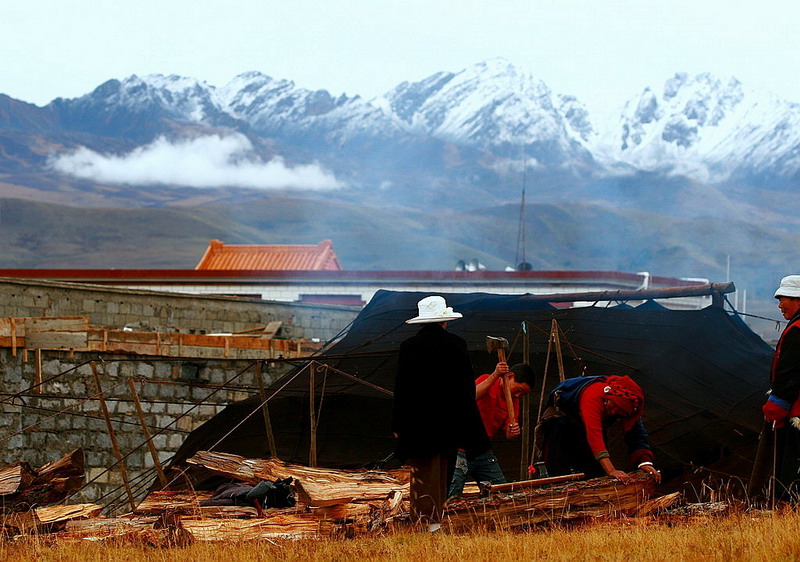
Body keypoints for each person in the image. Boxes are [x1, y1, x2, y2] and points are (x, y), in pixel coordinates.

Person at [391, 296, 489, 523]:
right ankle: (436, 518)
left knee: (423, 471)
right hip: (449, 421)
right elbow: (465, 388)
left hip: (417, 422)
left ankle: (424, 518)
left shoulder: (409, 347)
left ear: (422, 322)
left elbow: (401, 387)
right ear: (444, 321)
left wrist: (397, 424)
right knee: (445, 469)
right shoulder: (456, 344)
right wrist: (468, 424)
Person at [535, 374, 661, 484]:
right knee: (560, 473)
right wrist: (611, 470)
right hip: (561, 424)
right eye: (613, 406)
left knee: (595, 473)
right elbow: (595, 436)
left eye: (619, 411)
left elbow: (636, 433)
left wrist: (644, 462)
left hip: (586, 428)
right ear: (607, 398)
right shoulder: (592, 396)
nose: (613, 412)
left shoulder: (631, 406)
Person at [447, 362, 535, 499]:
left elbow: (509, 432)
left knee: (501, 493)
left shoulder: (513, 402)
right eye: (518, 390)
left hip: (483, 451)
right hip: (459, 447)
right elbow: (472, 396)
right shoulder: (487, 380)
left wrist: (513, 433)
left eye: (522, 394)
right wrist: (496, 374)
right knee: (453, 493)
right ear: (510, 376)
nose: (518, 395)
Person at [761, 275, 800, 500]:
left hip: (796, 411)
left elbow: (790, 374)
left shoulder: (797, 329)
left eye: (782, 299)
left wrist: (775, 407)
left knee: (791, 468)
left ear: (797, 299)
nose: (779, 305)